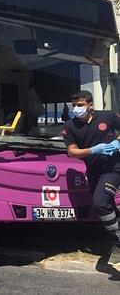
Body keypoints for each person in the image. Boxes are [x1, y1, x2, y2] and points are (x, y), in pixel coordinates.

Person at [62, 90, 120, 266]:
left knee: (100, 202)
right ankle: (116, 242)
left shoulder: (108, 116)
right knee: (107, 205)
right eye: (74, 106)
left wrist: (118, 142)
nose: (76, 109)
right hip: (93, 171)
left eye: (80, 105)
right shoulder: (70, 126)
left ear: (90, 105)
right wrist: (95, 149)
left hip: (113, 168)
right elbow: (71, 152)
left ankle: (118, 243)